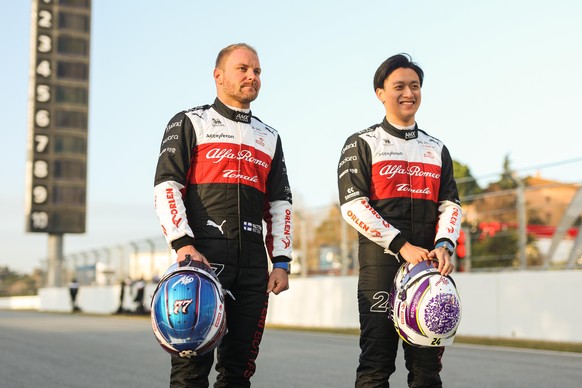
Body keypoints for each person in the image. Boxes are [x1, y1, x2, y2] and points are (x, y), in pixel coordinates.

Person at [154, 43, 293, 388]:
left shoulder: (270, 137)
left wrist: (281, 261)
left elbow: (280, 204)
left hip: (251, 268)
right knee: (190, 370)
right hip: (201, 261)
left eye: (257, 71)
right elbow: (166, 186)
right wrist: (183, 244)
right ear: (218, 76)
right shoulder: (189, 121)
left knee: (239, 372)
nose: (252, 76)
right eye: (243, 69)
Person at [337, 53, 463, 387]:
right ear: (380, 92)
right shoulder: (362, 143)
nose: (409, 93)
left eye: (415, 86)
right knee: (376, 365)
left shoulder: (437, 148)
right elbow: (352, 206)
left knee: (426, 370)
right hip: (381, 265)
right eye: (399, 86)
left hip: (429, 267)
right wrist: (400, 245)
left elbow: (451, 204)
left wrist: (444, 244)